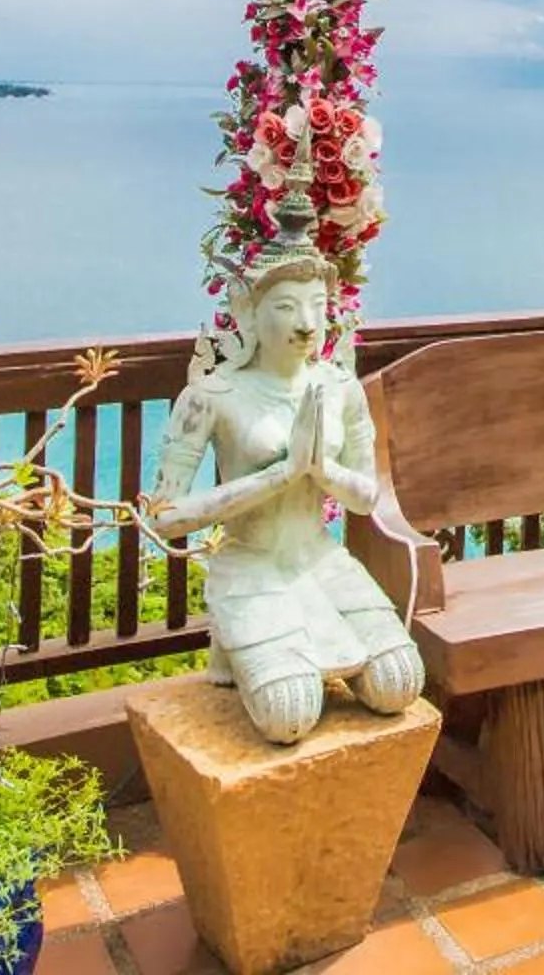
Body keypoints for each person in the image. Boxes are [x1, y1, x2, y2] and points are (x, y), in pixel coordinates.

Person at [146, 150, 424, 744]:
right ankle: (248, 653)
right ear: (247, 309)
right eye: (286, 307)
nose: (306, 324)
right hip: (251, 564)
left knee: (401, 680)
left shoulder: (337, 386)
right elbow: (165, 519)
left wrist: (320, 469)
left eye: (318, 309)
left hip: (319, 558)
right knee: (290, 713)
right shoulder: (213, 395)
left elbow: (364, 495)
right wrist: (278, 475)